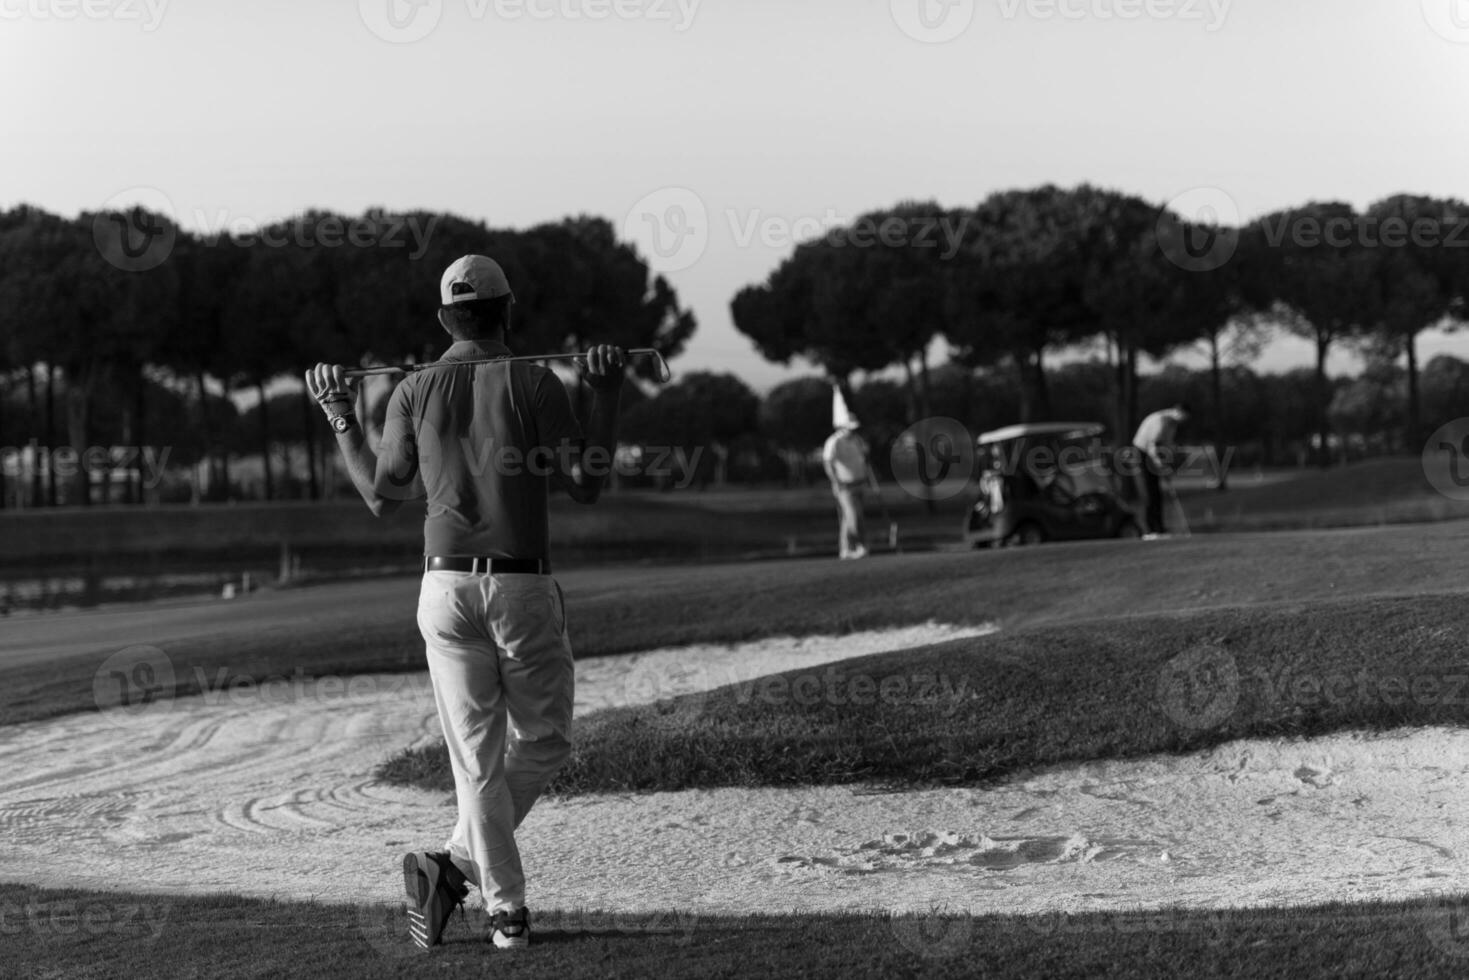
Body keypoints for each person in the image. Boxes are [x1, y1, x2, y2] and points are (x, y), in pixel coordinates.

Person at [305, 254, 625, 952]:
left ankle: (451, 866)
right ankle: (503, 912)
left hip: (443, 588)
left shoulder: (414, 389)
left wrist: (338, 415)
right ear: (507, 312)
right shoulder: (535, 380)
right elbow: (587, 483)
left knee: (477, 764)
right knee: (541, 743)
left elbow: (380, 496)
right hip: (520, 586)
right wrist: (604, 392)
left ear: (444, 318)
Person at [1130, 402, 1190, 537]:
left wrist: (1165, 466)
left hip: (1152, 454)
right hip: (1141, 452)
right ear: (1178, 411)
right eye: (1184, 416)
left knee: (1156, 492)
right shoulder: (1161, 421)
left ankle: (1159, 528)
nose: (1184, 420)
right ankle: (1149, 531)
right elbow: (1153, 446)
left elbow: (1166, 445)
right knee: (1149, 492)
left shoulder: (1172, 424)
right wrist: (1160, 465)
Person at [822, 404, 871, 560]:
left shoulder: (857, 440)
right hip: (844, 486)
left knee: (851, 518)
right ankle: (858, 545)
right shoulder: (834, 441)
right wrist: (836, 481)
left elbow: (864, 457)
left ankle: (846, 548)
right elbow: (828, 463)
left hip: (860, 483)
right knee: (852, 516)